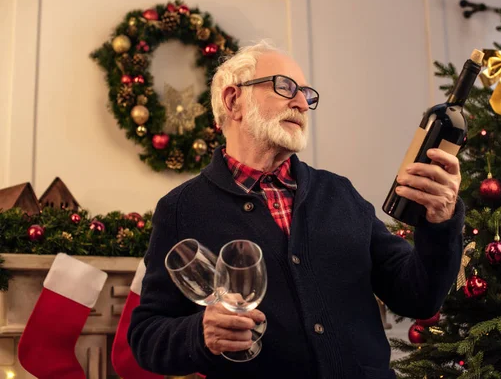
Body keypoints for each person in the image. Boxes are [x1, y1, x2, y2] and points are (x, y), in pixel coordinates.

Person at [128, 40, 465, 379]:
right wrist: (198, 333)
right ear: (233, 101)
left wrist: (439, 221)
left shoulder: (340, 193)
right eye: (285, 87)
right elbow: (145, 336)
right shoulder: (181, 209)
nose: (303, 103)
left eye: (306, 93)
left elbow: (419, 297)